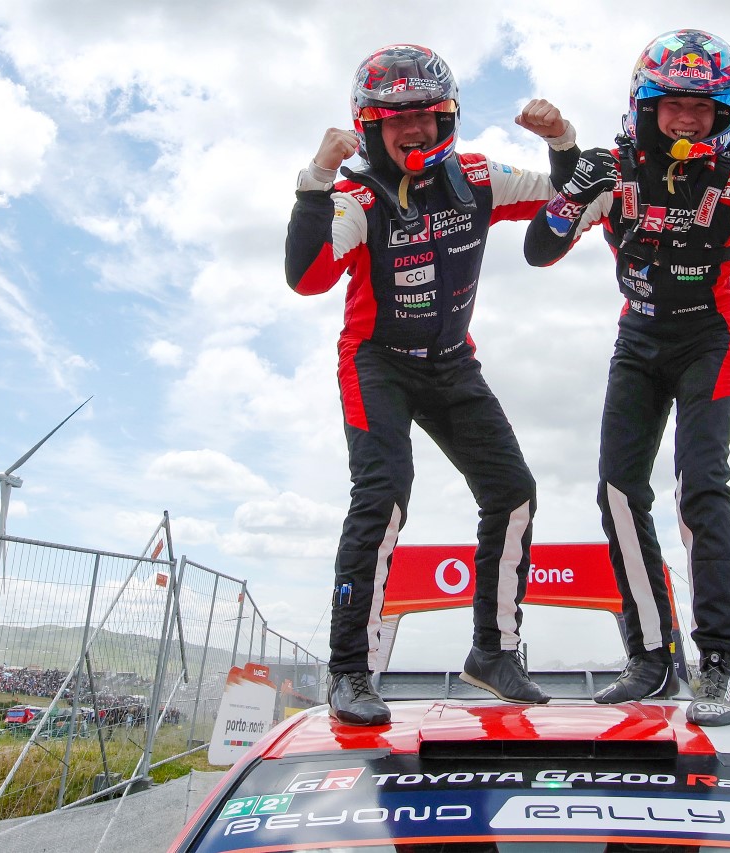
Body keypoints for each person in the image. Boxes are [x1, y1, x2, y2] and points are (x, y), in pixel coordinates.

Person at [523, 29, 730, 727]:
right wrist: (574, 191)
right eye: (674, 105)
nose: (689, 120)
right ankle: (650, 656)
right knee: (616, 490)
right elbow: (538, 250)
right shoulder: (613, 170)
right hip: (637, 341)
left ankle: (718, 662)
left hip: (707, 340)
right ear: (646, 107)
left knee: (700, 486)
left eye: (704, 108)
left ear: (726, 115)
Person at [286, 44, 580, 725]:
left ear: (447, 117)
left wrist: (564, 141)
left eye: (426, 115)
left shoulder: (477, 175)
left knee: (513, 491)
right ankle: (350, 671)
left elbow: (566, 196)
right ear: (370, 127)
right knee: (383, 495)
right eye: (396, 120)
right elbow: (307, 277)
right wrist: (315, 181)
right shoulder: (356, 196)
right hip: (377, 362)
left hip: (451, 361)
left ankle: (493, 653)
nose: (414, 130)